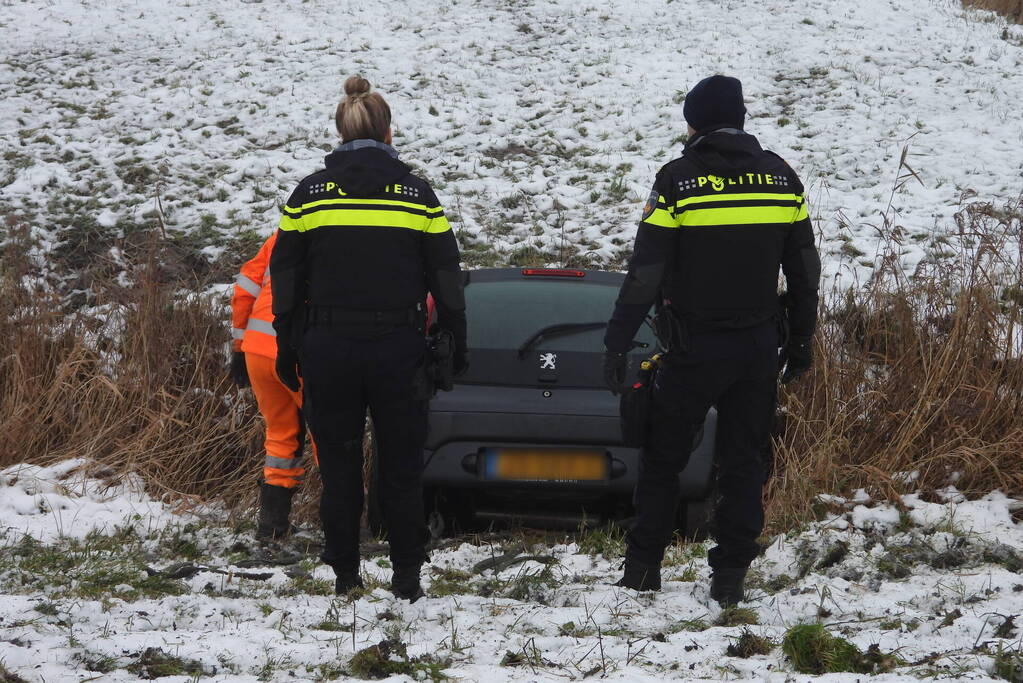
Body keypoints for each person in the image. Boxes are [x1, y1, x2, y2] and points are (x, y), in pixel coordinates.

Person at [603, 75, 820, 605]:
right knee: (745, 462)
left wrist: (617, 341)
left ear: (694, 122)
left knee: (663, 457)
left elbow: (646, 271)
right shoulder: (782, 179)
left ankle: (642, 572)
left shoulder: (677, 180)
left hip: (692, 349)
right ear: (741, 120)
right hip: (756, 350)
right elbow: (806, 271)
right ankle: (729, 577)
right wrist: (800, 343)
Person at [269, 76, 468, 602]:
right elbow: (446, 277)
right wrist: (455, 339)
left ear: (340, 132)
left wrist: (288, 345)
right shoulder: (416, 194)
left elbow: (285, 277)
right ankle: (406, 577)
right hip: (397, 349)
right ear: (388, 132)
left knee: (339, 470)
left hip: (328, 348)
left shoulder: (308, 194)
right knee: (401, 469)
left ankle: (345, 578)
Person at [230, 232, 311, 542]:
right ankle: (340, 527)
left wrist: (238, 346)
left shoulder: (281, 236)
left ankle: (272, 527)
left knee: (280, 435)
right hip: (302, 353)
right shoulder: (341, 237)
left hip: (257, 350)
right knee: (329, 439)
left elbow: (244, 289)